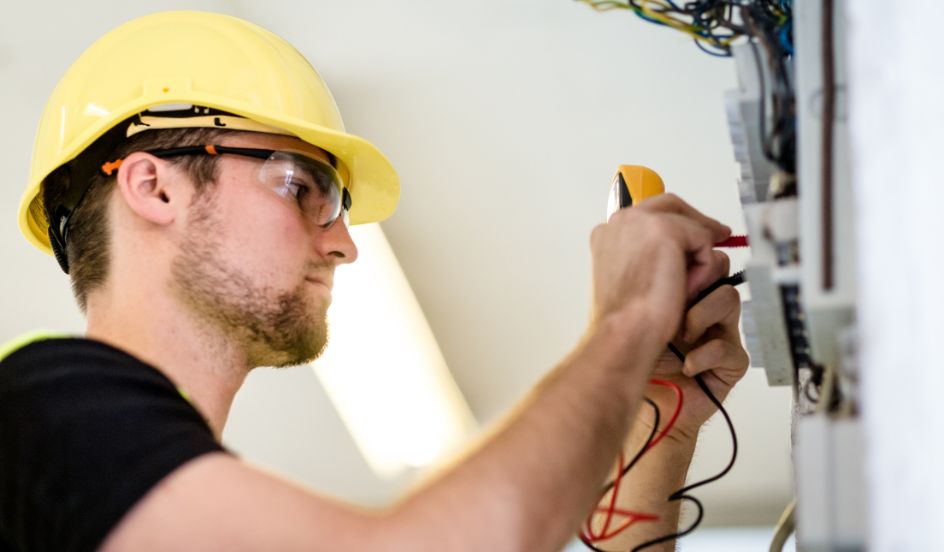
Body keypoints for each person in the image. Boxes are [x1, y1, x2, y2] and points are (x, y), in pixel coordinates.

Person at [0, 11, 748, 552]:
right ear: (154, 188)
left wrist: (656, 422)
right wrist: (621, 325)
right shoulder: (36, 413)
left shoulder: (184, 506)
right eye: (303, 186)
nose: (343, 245)